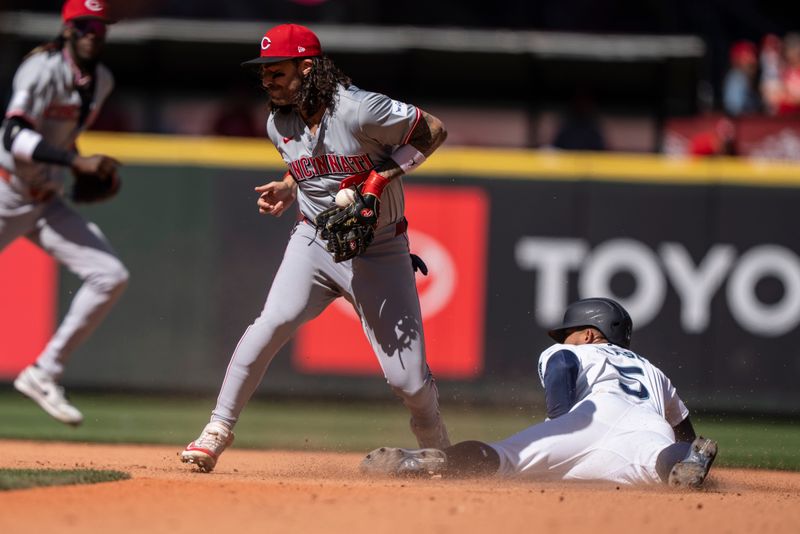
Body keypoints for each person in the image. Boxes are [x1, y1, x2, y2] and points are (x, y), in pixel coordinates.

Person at [180, 23, 450, 472]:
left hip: (380, 247)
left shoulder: (360, 108)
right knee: (273, 321)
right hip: (315, 239)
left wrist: (379, 178)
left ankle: (434, 437)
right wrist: (290, 186)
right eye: (263, 72)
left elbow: (433, 132)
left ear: (307, 67)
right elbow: (311, 164)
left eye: (276, 71)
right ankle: (216, 431)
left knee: (407, 380)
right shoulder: (276, 122)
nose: (267, 80)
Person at [360, 298, 718, 488]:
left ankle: (430, 460)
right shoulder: (653, 370)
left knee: (506, 458)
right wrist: (683, 447)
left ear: (592, 334)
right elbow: (682, 426)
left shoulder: (577, 350)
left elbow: (562, 365)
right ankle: (686, 461)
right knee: (655, 462)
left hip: (590, 416)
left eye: (571, 331)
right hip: (649, 427)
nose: (564, 339)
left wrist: (561, 424)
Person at [0, 0, 128, 426]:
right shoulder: (40, 68)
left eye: (101, 26)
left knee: (109, 275)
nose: (95, 32)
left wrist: (76, 164)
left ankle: (43, 372)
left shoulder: (101, 79)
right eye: (86, 24)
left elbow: (61, 137)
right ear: (68, 28)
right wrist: (76, 163)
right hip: (5, 192)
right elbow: (14, 134)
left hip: (45, 199)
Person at [722, 40, 762, 116]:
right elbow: (735, 109)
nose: (753, 61)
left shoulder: (747, 79)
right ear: (737, 60)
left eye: (754, 56)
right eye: (748, 57)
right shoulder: (736, 78)